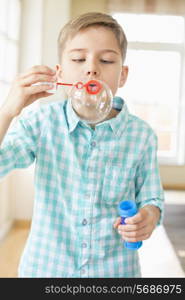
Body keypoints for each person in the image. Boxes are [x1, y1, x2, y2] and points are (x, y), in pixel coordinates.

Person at [0, 12, 164, 278]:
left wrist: (149, 216)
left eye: (107, 60)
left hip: (115, 273)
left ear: (122, 76)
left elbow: (152, 199)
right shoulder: (41, 123)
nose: (92, 68)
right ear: (60, 72)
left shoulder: (141, 135)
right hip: (45, 271)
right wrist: (7, 110)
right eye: (78, 59)